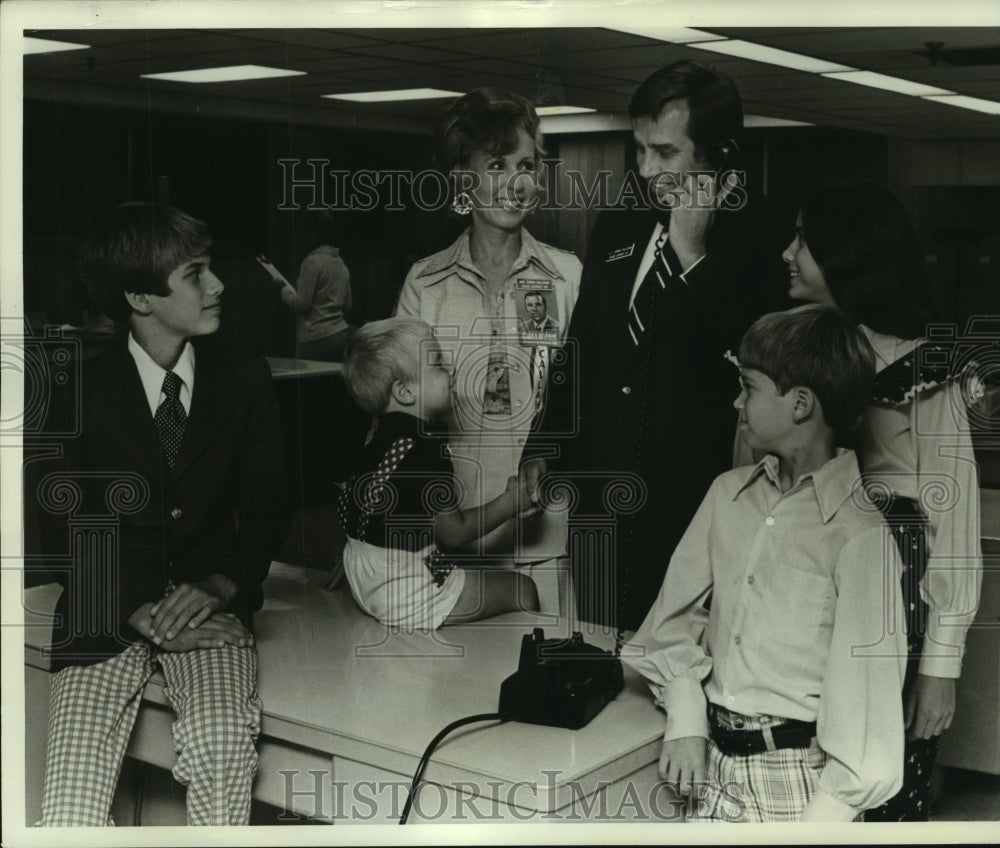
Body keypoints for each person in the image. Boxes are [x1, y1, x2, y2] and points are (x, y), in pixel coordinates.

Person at [38, 202, 290, 826]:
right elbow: (61, 523)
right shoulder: (73, 387)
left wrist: (222, 583)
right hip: (106, 612)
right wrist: (138, 608)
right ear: (139, 297)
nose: (219, 285)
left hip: (210, 613)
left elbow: (267, 508)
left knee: (221, 742)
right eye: (196, 273)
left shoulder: (245, 378)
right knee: (71, 799)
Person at [524, 60, 789, 631]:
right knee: (595, 659)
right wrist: (544, 444)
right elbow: (583, 347)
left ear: (717, 153)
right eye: (639, 149)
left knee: (680, 676)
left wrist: (694, 258)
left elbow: (763, 359)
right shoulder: (619, 224)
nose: (646, 169)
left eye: (665, 153)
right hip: (601, 503)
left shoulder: (767, 237)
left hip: (694, 507)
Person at [624, 305, 908, 822]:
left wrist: (818, 825)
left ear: (800, 404)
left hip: (801, 786)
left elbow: (868, 717)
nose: (737, 401)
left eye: (749, 387)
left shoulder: (861, 537)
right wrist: (687, 719)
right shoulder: (726, 495)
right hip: (711, 764)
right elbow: (669, 626)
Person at [779, 181, 984, 821]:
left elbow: (954, 519)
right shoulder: (787, 354)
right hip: (800, 622)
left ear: (847, 253)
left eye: (804, 240)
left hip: (895, 628)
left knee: (882, 797)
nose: (786, 253)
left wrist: (941, 666)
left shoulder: (924, 369)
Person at [395, 87, 582, 562]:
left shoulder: (570, 277)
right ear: (463, 180)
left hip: (551, 541)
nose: (516, 184)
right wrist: (372, 528)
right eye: (497, 166)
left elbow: (587, 400)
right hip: (453, 534)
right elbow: (397, 416)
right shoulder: (425, 283)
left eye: (526, 167)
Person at [338, 317, 540, 629]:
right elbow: (454, 532)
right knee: (523, 589)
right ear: (405, 391)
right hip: (404, 586)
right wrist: (510, 502)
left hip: (364, 577)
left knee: (449, 564)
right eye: (438, 363)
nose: (452, 370)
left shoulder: (376, 440)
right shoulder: (424, 449)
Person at [257, 209, 356, 361]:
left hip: (315, 338)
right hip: (340, 334)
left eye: (306, 231)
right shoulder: (340, 263)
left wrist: (284, 291)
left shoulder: (312, 262)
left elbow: (302, 304)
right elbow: (348, 306)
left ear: (314, 233)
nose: (303, 236)